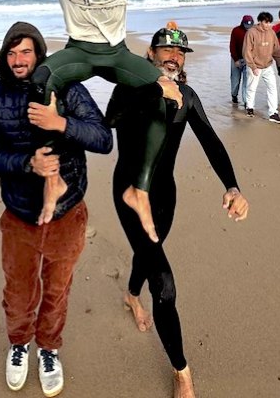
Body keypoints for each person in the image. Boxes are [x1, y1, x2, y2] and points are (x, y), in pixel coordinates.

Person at [0, 0, 188, 242]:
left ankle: (139, 190)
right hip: (78, 52)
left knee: (167, 95)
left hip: (116, 53)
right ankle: (53, 179)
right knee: (40, 82)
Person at [105, 22, 249, 398]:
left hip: (165, 197)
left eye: (180, 52)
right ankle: (182, 371)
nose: (174, 56)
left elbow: (212, 143)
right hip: (129, 195)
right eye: (165, 50)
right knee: (164, 285)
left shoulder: (187, 96)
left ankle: (131, 295)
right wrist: (152, 89)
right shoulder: (128, 89)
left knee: (145, 254)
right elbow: (110, 122)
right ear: (149, 55)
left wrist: (233, 187)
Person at [0, 22, 113, 397]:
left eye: (26, 52)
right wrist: (26, 164)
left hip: (67, 213)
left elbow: (103, 138)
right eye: (12, 52)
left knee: (56, 290)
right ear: (5, 56)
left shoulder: (66, 88)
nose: (19, 60)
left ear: (39, 54)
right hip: (19, 215)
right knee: (18, 292)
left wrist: (60, 123)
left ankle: (49, 349)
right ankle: (19, 344)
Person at [243, 12, 280, 123]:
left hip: (268, 66)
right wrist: (252, 66)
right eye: (266, 22)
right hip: (255, 66)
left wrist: (279, 63)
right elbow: (246, 51)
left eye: (269, 22)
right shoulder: (251, 32)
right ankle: (250, 108)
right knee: (252, 88)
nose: (268, 24)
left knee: (272, 88)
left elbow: (276, 49)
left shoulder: (271, 32)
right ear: (260, 21)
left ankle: (273, 113)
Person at [228, 15, 253, 106]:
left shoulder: (253, 31)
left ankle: (246, 102)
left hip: (248, 60)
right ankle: (234, 95)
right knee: (235, 80)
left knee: (247, 81)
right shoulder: (236, 31)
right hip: (236, 59)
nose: (248, 27)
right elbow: (232, 46)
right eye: (246, 25)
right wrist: (236, 59)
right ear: (242, 23)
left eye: (250, 25)